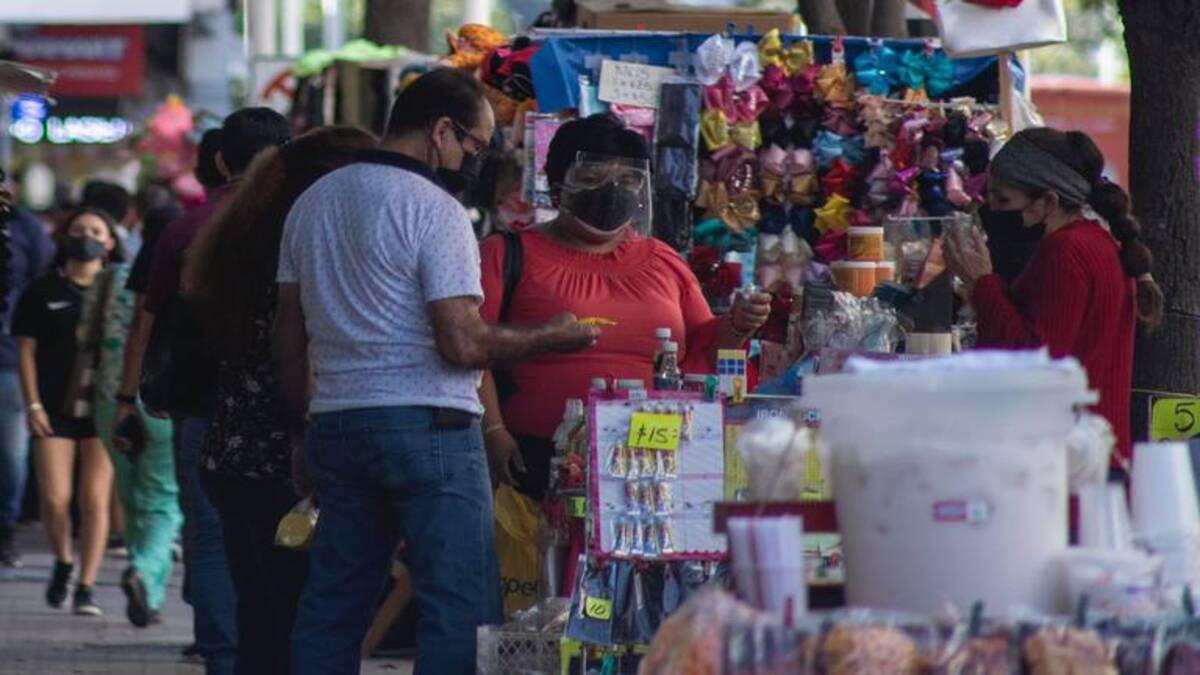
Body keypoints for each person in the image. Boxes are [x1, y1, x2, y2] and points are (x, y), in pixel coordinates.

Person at [275, 68, 599, 675]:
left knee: (332, 605)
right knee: (458, 606)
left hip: (339, 426)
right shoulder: (438, 211)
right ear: (440, 131)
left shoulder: (313, 203)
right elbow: (462, 341)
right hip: (431, 427)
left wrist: (302, 430)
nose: (472, 161)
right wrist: (550, 337)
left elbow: (287, 334)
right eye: (473, 146)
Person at [479, 114, 773, 499]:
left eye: (628, 179)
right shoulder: (505, 253)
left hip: (654, 462)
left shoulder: (664, 260)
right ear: (556, 189)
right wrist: (493, 432)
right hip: (534, 463)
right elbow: (472, 349)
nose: (611, 190)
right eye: (593, 177)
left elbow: (703, 351)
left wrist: (737, 324)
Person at [183, 125, 378, 674]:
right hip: (284, 463)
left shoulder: (243, 239)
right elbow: (295, 356)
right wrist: (303, 440)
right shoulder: (302, 248)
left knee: (262, 619)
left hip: (232, 455)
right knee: (302, 620)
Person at [115, 107, 290, 675]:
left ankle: (224, 656)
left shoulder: (188, 228)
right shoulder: (298, 222)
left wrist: (126, 396)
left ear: (219, 161)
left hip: (201, 406)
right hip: (287, 407)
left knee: (213, 536)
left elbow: (148, 316)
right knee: (286, 534)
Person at [944, 127, 1164, 464]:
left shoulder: (1066, 251)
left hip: (1070, 459)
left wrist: (981, 282)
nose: (992, 209)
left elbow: (1034, 359)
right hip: (1089, 451)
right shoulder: (1096, 242)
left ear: (1047, 201)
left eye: (1003, 199)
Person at [12, 208, 122, 616]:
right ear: (63, 237)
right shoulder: (42, 291)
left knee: (95, 499)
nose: (86, 237)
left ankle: (87, 585)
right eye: (78, 230)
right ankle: (62, 560)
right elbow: (26, 350)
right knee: (55, 497)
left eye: (96, 231)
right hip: (53, 408)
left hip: (102, 408)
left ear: (110, 241)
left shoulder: (119, 293)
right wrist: (33, 403)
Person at [86, 221, 183, 628]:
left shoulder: (114, 279)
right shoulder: (188, 279)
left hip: (113, 400)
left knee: (130, 495)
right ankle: (146, 572)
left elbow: (84, 335)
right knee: (163, 499)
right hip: (164, 403)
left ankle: (148, 581)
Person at [0, 171, 54, 568]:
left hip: (9, 358)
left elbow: (42, 288)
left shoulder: (26, 229)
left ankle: (5, 529)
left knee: (11, 455)